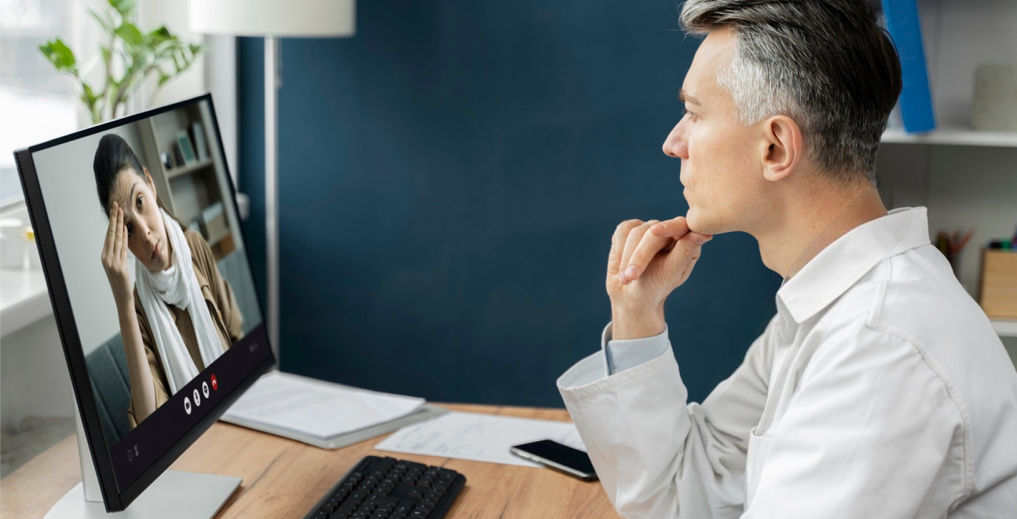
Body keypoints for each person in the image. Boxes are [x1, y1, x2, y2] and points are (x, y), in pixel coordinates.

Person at [556, 1, 1017, 517]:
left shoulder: (881, 346)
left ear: (775, 147)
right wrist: (636, 316)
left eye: (693, 113)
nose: (673, 143)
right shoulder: (822, 309)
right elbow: (685, 494)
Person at [93, 133, 243, 428]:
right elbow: (150, 424)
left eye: (140, 202)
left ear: (150, 183)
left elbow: (238, 339)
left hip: (241, 414)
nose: (146, 234)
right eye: (128, 228)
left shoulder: (195, 247)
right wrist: (123, 303)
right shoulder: (137, 308)